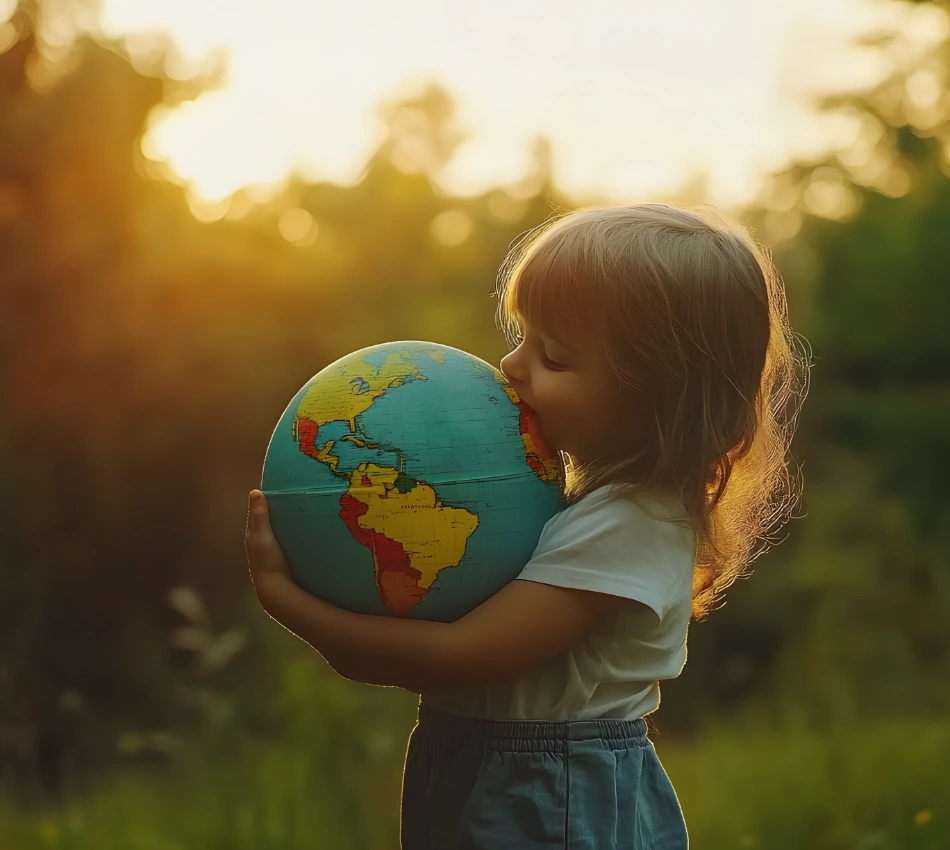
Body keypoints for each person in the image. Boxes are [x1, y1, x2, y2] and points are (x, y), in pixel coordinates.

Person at [244, 203, 811, 849]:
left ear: (656, 397)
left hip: (550, 794)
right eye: (522, 338)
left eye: (555, 357)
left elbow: (461, 657)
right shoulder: (571, 502)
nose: (511, 367)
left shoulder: (632, 525)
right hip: (491, 772)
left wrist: (288, 602)